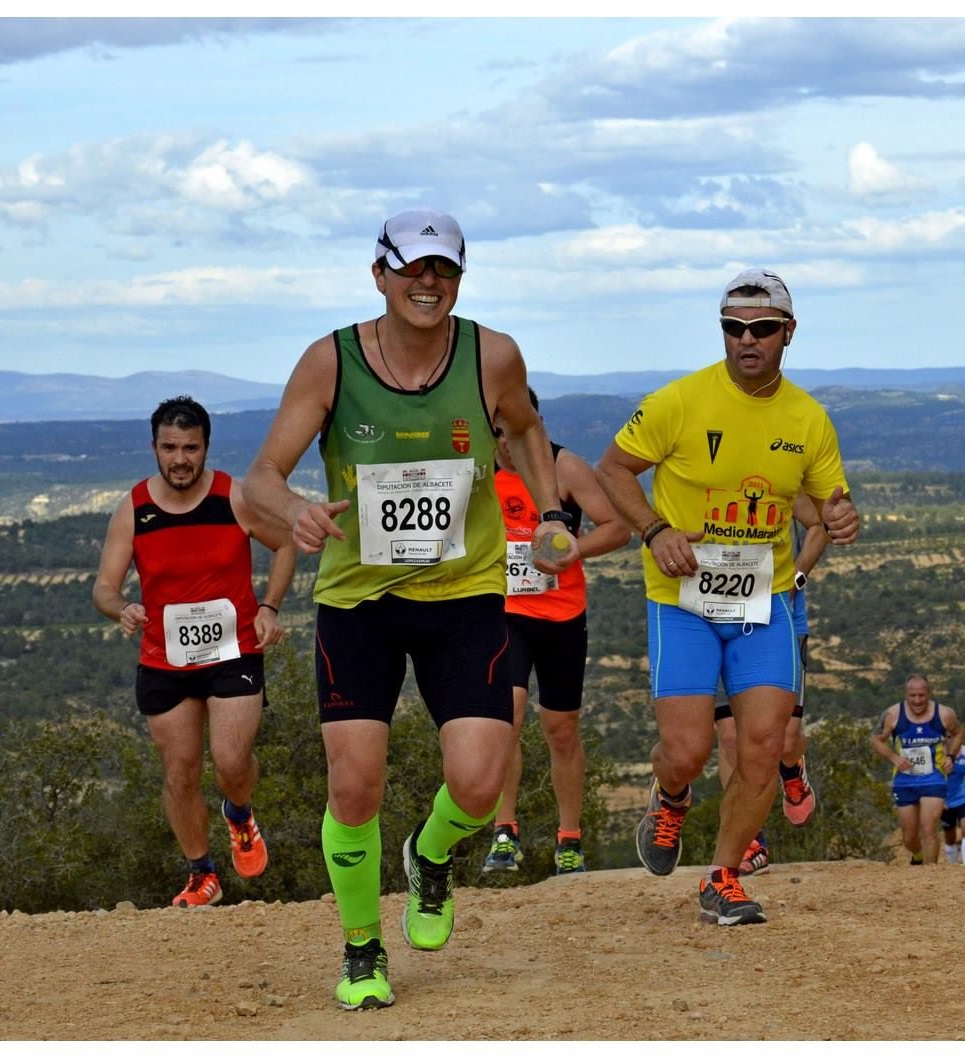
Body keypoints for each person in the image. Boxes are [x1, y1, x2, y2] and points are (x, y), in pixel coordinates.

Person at [243, 210, 578, 1010]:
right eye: (413, 269)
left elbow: (527, 432)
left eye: (445, 270)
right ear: (380, 274)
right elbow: (256, 480)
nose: (428, 284)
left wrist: (555, 512)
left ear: (460, 279)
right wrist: (292, 511)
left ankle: (430, 858)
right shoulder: (330, 362)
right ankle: (362, 949)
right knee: (354, 787)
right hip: (360, 600)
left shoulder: (492, 355)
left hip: (463, 595)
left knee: (477, 780)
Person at [595, 268, 859, 926]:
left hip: (761, 603)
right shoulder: (679, 402)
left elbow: (832, 502)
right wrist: (653, 531)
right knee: (685, 751)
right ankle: (671, 797)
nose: (747, 340)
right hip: (681, 600)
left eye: (762, 329)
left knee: (763, 744)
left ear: (788, 333)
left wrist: (844, 519)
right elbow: (613, 468)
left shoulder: (807, 417)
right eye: (734, 329)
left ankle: (723, 875)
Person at [93, 396, 295, 908]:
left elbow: (287, 543)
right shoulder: (134, 508)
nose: (179, 459)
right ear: (154, 448)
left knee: (230, 761)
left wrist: (269, 606)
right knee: (180, 772)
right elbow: (103, 587)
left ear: (205, 447)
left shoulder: (235, 497)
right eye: (169, 448)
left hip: (234, 652)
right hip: (165, 661)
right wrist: (122, 609)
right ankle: (202, 873)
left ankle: (239, 812)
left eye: (190, 447)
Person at [482, 388, 630, 876]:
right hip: (506, 613)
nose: (505, 442)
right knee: (509, 713)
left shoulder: (564, 467)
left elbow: (616, 527)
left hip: (563, 615)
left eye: (513, 429)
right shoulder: (481, 469)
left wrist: (573, 550)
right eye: (496, 430)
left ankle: (570, 839)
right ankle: (505, 832)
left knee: (560, 729)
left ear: (534, 422)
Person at [713, 494, 827, 876]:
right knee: (730, 739)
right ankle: (749, 842)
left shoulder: (777, 473)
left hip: (779, 618)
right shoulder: (700, 477)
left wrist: (796, 579)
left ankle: (792, 770)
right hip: (716, 618)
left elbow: (819, 525)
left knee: (786, 739)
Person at [871, 674, 964, 865]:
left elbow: (959, 733)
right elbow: (875, 739)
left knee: (929, 827)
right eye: (912, 695)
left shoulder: (944, 714)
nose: (917, 700)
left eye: (922, 695)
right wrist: (894, 757)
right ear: (906, 694)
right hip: (904, 780)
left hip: (934, 778)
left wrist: (951, 756)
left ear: (929, 693)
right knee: (909, 837)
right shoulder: (893, 715)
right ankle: (918, 856)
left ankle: (930, 875)